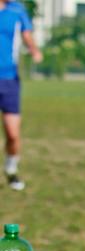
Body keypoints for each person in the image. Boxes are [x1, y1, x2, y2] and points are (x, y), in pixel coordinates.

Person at [0, 0, 41, 191]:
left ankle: (11, 170)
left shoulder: (17, 10)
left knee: (13, 134)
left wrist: (34, 50)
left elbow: (26, 34)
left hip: (9, 79)